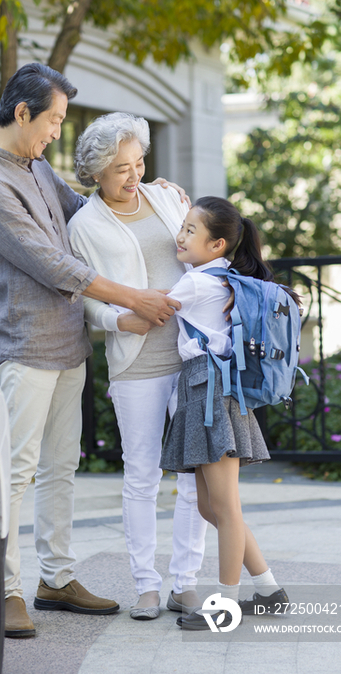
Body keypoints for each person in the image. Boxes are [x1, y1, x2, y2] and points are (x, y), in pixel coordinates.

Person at [0, 63, 186, 638]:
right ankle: (7, 588)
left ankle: (55, 578)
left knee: (61, 467)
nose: (58, 132)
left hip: (68, 343)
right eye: (54, 119)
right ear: (21, 113)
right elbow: (55, 263)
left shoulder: (35, 166)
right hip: (24, 345)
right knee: (16, 472)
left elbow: (89, 208)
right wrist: (134, 296)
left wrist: (149, 190)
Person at [69, 113, 210, 620]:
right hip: (137, 361)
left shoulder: (167, 197)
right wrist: (117, 321)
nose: (134, 176)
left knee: (196, 472)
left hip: (193, 355)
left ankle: (185, 581)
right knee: (142, 477)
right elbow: (84, 295)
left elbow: (198, 251)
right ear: (97, 174)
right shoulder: (83, 225)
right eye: (121, 169)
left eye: (139, 163)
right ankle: (147, 586)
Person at [158, 196, 290, 631]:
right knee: (212, 509)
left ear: (216, 245)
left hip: (210, 394)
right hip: (210, 393)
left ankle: (225, 607)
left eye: (191, 230)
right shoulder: (225, 279)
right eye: (182, 226)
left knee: (225, 509)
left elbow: (149, 312)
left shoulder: (196, 284)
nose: (180, 235)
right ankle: (269, 591)